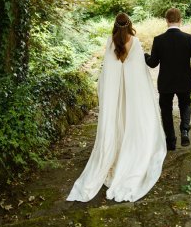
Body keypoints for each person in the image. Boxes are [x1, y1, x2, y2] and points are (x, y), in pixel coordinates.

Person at [66, 12, 167, 203]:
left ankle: (113, 159)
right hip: (132, 95)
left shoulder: (110, 41)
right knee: (133, 124)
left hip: (116, 95)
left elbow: (107, 72)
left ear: (115, 25)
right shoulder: (135, 42)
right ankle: (130, 159)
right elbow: (139, 73)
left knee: (117, 124)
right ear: (130, 25)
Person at [145, 8, 191, 150]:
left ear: (166, 21)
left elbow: (153, 63)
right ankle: (184, 130)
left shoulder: (159, 40)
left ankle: (170, 141)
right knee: (185, 104)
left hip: (165, 83)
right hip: (184, 81)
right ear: (180, 20)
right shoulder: (188, 38)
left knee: (166, 110)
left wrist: (143, 55)